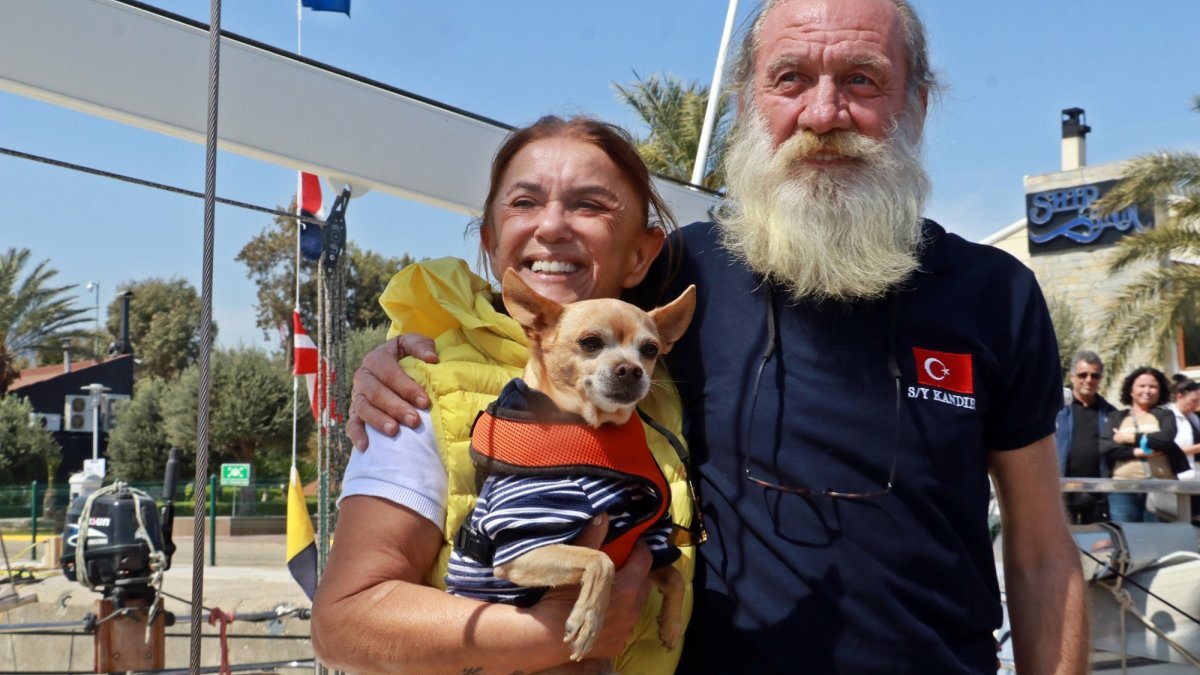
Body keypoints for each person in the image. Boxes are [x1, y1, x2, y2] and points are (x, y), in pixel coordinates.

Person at [349, 0, 1088, 671]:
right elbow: (538, 295)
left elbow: (1039, 551)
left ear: (918, 104)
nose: (823, 111)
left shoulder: (997, 291)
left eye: (863, 79)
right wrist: (397, 358)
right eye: (790, 78)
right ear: (744, 102)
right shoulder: (676, 270)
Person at [311, 116, 698, 673]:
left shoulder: (664, 393)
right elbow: (342, 624)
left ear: (641, 254)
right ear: (491, 243)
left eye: (590, 205)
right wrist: (543, 636)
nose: (553, 227)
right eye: (524, 202)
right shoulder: (418, 386)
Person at [1100, 367, 1186, 523]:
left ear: (1160, 392)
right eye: (1141, 386)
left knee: (1160, 541)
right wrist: (1139, 452)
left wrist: (1128, 437)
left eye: (1153, 386)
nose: (1147, 390)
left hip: (1161, 489)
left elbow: (1165, 439)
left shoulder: (1165, 415)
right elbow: (1106, 447)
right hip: (1122, 490)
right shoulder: (1116, 417)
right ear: (1131, 390)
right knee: (1127, 537)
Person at [1055, 351, 1117, 524]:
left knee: (1097, 545)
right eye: (1083, 375)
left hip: (1097, 492)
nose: (1088, 380)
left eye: (1094, 376)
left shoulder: (1110, 413)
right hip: (1062, 489)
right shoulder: (1057, 410)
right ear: (1072, 376)